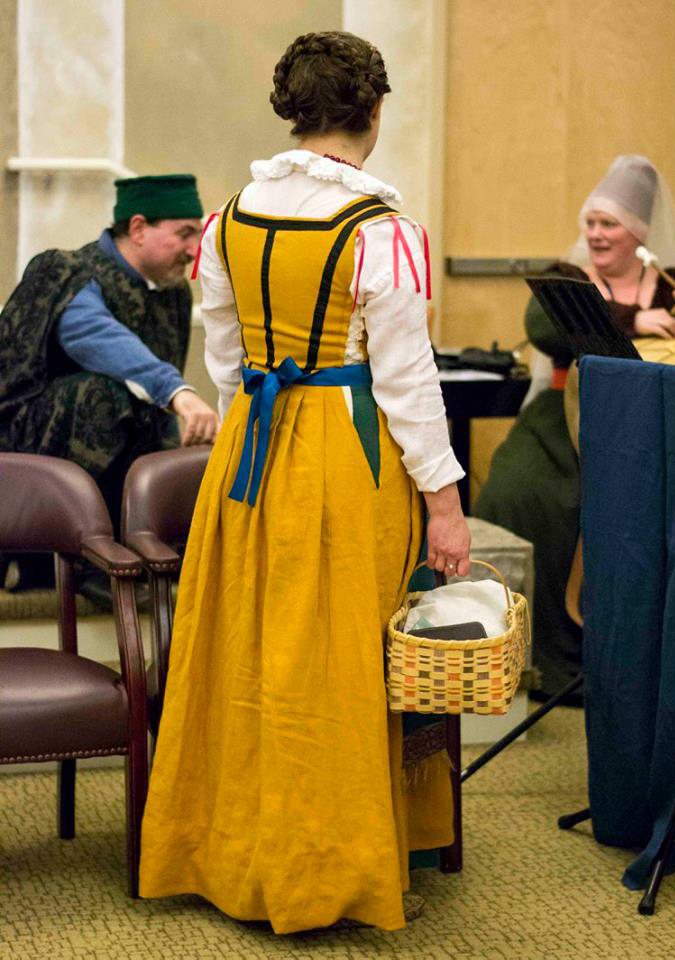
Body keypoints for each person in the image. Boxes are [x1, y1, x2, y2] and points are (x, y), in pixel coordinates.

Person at [139, 31, 471, 933]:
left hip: (249, 450)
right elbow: (409, 386)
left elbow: (223, 358)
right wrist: (445, 503)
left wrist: (256, 417)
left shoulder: (229, 220)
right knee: (338, 659)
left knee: (246, 646)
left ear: (294, 110)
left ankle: (230, 850)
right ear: (373, 110)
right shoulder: (381, 233)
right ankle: (329, 870)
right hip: (341, 455)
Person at [475, 155, 675, 701]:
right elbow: (542, 326)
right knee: (518, 492)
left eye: (609, 223)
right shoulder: (567, 279)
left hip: (642, 429)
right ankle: (534, 659)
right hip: (559, 421)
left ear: (638, 233)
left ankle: (619, 664)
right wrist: (632, 320)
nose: (595, 234)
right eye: (590, 222)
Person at [0, 174, 220, 589]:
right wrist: (179, 393)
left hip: (112, 459)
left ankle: (139, 551)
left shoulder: (171, 294)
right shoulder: (66, 272)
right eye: (185, 234)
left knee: (168, 434)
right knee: (102, 392)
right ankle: (70, 560)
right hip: (25, 456)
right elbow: (97, 337)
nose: (195, 249)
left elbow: (154, 404)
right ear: (138, 228)